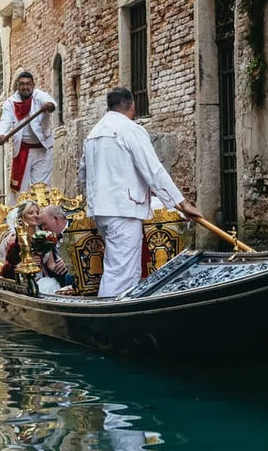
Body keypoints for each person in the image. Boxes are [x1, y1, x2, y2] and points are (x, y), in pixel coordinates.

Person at [78, 87, 203, 298]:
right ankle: (112, 318)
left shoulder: (93, 134)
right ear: (132, 106)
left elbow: (83, 173)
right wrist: (180, 203)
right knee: (123, 272)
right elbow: (153, 170)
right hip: (124, 210)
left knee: (115, 267)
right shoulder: (130, 129)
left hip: (101, 211)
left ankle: (110, 312)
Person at [0, 72, 57, 200]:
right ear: (17, 86)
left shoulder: (39, 96)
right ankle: (20, 215)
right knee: (21, 190)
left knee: (41, 188)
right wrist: (2, 135)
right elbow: (5, 121)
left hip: (43, 149)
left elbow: (50, 103)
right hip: (23, 149)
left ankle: (40, 216)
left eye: (28, 84)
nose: (25, 87)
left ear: (33, 85)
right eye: (22, 84)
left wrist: (49, 106)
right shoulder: (10, 103)